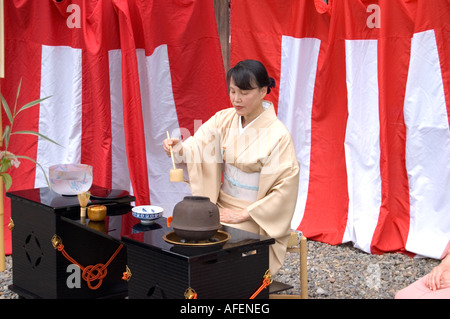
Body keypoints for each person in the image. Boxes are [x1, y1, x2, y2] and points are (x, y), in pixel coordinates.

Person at [163, 60, 300, 275]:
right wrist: (177, 148)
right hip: (220, 203)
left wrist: (244, 214)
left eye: (244, 92)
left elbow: (284, 188)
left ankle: (230, 286)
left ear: (263, 91)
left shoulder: (278, 135)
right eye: (233, 91)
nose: (236, 99)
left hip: (255, 213)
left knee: (227, 243)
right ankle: (200, 285)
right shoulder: (224, 119)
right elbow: (197, 146)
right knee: (190, 231)